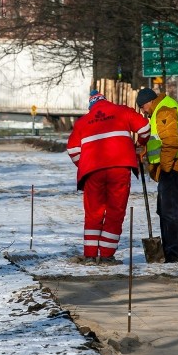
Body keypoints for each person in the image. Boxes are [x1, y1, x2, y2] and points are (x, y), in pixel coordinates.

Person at [66, 90, 151, 264]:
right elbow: (144, 128)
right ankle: (106, 255)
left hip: (92, 173)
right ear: (106, 101)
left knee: (93, 212)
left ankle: (90, 255)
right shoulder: (122, 111)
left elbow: (73, 150)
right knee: (115, 211)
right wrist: (140, 144)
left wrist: (85, 164)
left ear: (91, 106)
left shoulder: (82, 122)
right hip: (120, 168)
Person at [135, 87, 178, 263]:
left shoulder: (163, 110)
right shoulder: (160, 110)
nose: (143, 112)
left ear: (148, 102)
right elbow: (158, 140)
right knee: (164, 210)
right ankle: (169, 251)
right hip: (172, 166)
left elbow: (171, 142)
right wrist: (144, 151)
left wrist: (165, 168)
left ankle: (175, 253)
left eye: (142, 107)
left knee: (171, 212)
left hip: (175, 166)